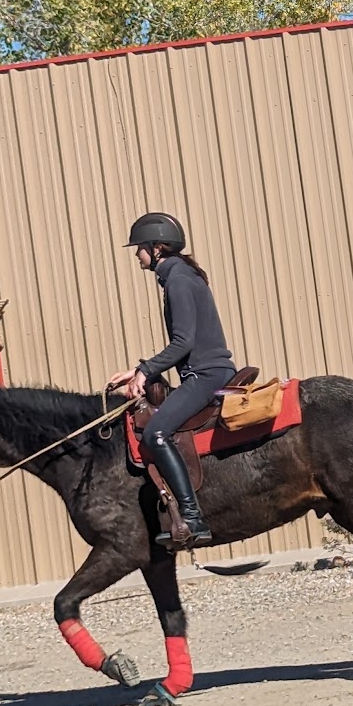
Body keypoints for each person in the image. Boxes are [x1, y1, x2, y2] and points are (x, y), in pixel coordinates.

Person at [106, 212, 236, 548]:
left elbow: (184, 343)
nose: (137, 255)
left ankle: (192, 516)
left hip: (206, 376)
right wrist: (138, 370)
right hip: (206, 372)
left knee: (155, 432)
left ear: (157, 247)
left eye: (139, 248)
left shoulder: (177, 280)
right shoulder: (179, 275)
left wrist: (145, 370)